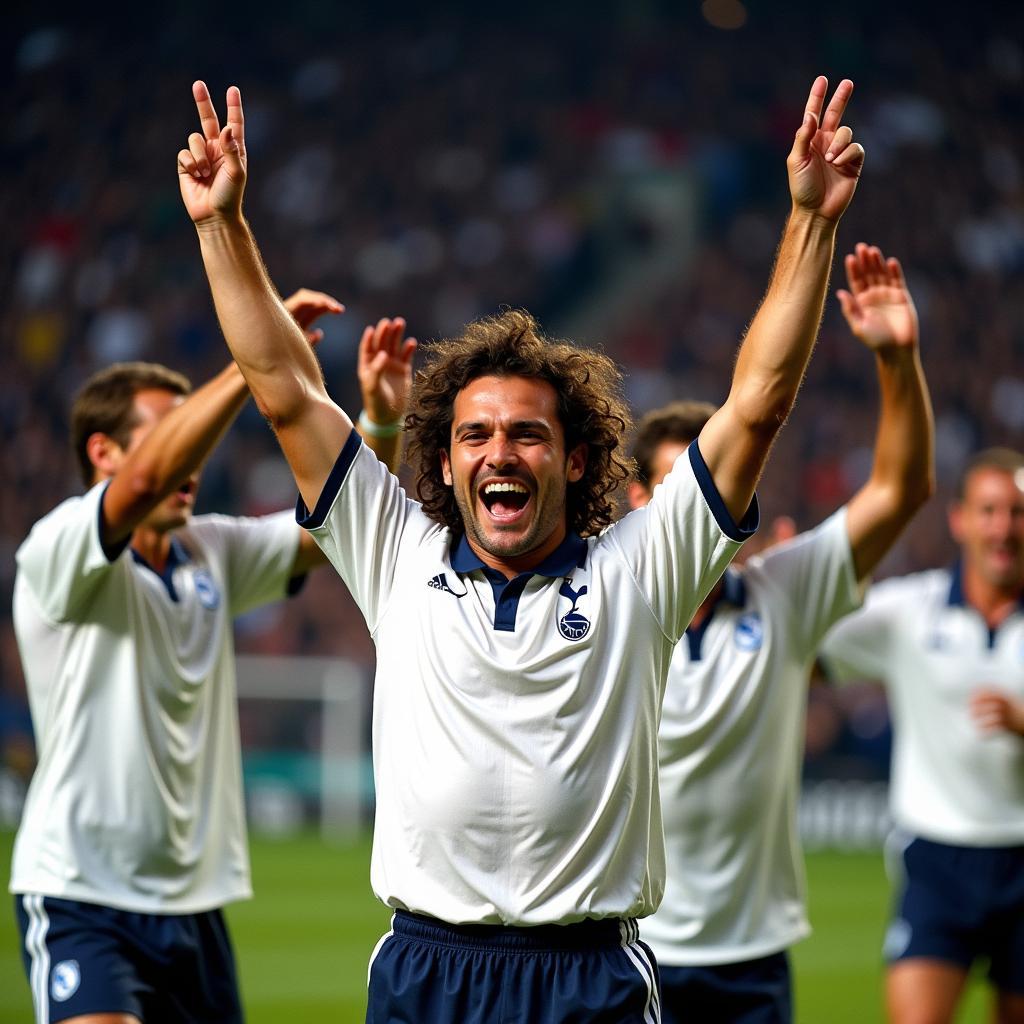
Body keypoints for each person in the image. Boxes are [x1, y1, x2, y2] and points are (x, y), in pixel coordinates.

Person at [177, 74, 863, 1022]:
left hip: (590, 978)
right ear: (447, 463)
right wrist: (221, 225)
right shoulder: (394, 553)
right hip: (427, 972)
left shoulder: (642, 571)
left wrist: (809, 222)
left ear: (578, 459)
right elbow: (282, 388)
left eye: (527, 434)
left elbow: (758, 401)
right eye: (474, 435)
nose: (500, 450)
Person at [10, 293, 416, 1024]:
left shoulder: (210, 550)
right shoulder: (59, 547)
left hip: (193, 901)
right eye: (173, 438)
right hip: (80, 890)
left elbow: (335, 527)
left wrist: (380, 419)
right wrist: (253, 360)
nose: (194, 462)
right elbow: (139, 486)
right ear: (103, 452)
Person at [630, 244, 934, 1024]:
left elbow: (900, 490)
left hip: (748, 960)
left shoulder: (783, 593)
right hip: (627, 946)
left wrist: (897, 361)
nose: (692, 513)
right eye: (671, 490)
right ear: (634, 499)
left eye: (711, 490)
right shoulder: (601, 601)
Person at [821, 446, 1024, 1024]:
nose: (1003, 527)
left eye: (1016, 511)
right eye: (989, 510)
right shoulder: (911, 611)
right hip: (938, 857)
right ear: (959, 519)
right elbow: (802, 640)